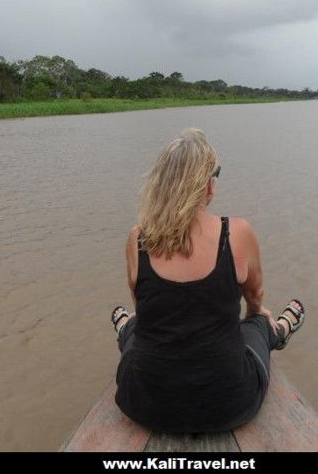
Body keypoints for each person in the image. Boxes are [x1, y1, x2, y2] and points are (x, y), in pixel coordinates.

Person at [111, 128, 305, 433]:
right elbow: (255, 296)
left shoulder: (138, 239)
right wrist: (257, 316)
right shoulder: (237, 234)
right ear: (207, 188)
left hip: (145, 403)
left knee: (138, 325)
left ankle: (124, 328)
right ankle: (278, 331)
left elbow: (145, 307)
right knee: (255, 324)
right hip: (230, 402)